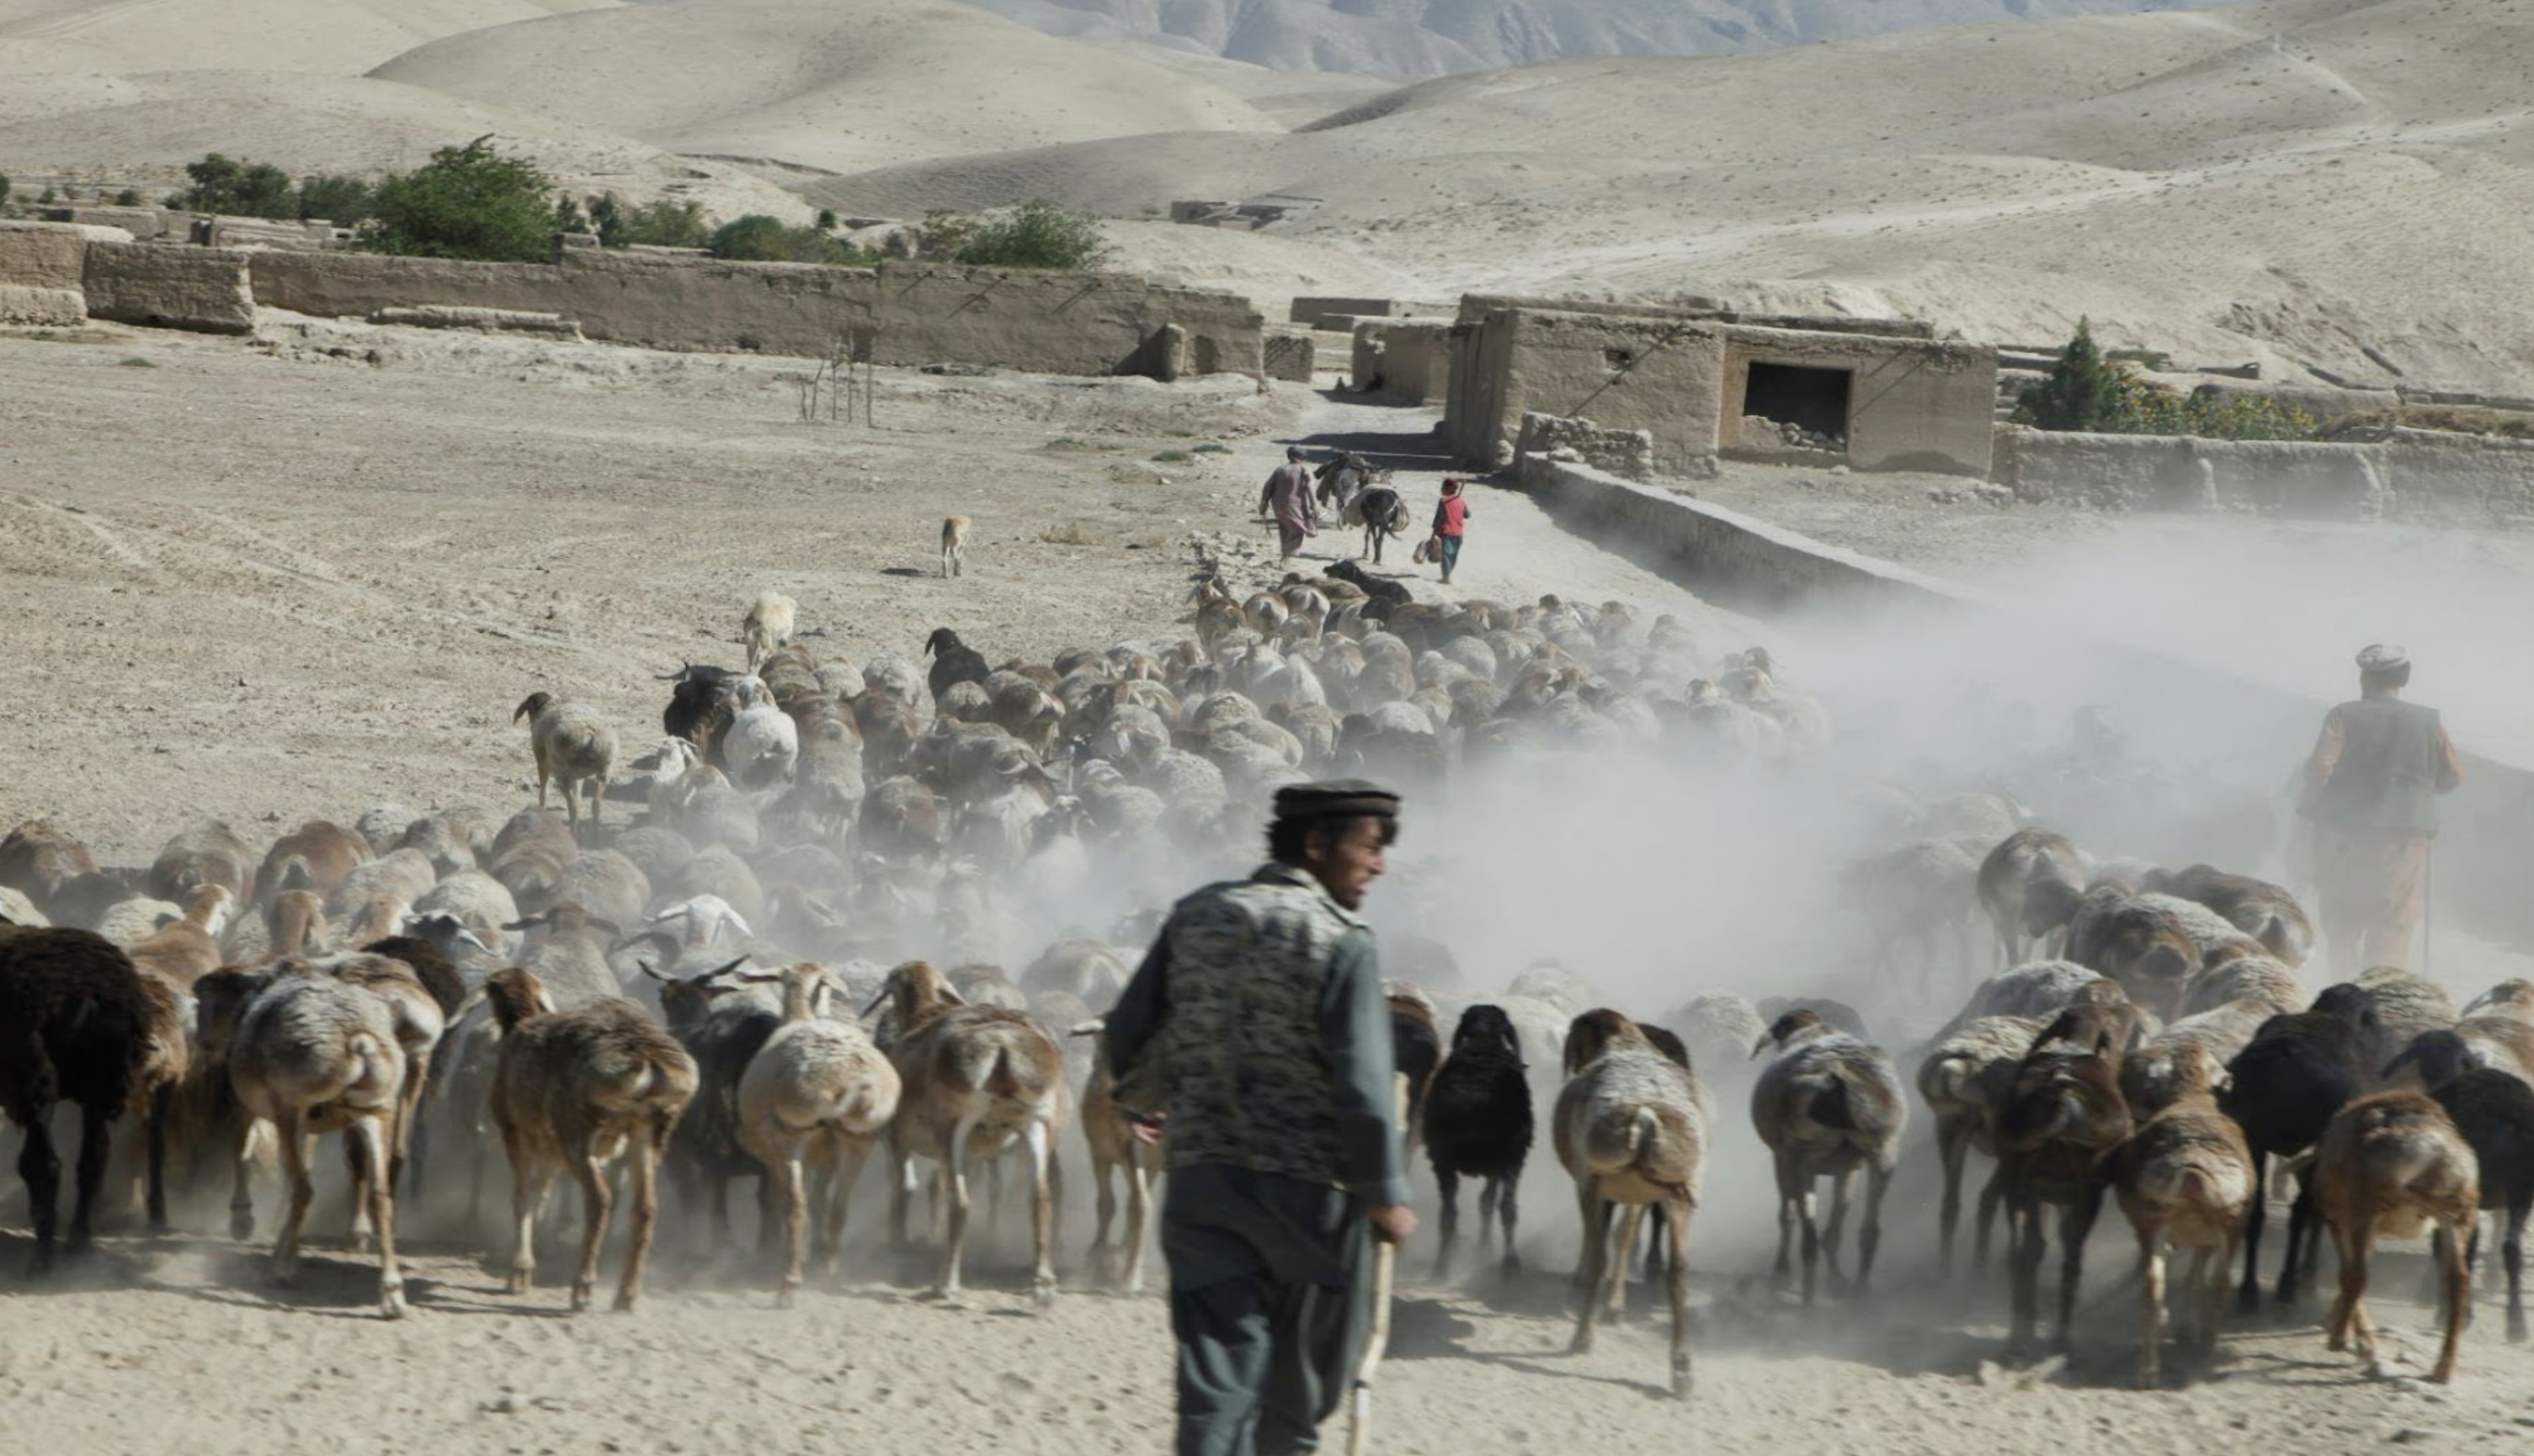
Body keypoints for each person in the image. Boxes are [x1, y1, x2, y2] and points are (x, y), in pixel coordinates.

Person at [1105, 780, 1416, 1456]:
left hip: (1201, 1183)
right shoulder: (1341, 940)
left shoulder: (1196, 914)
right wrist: (1385, 1193)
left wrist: (1147, 1096)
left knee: (1215, 1386)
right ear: (1317, 844)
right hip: (1309, 1201)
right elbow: (1362, 1084)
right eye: (1369, 846)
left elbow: (1126, 1034)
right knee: (1297, 1401)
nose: (1379, 864)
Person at [2299, 643, 2464, 972]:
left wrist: (2315, 802)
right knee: (2392, 918)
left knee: (2342, 913)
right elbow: (2452, 777)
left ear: (2364, 679)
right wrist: (2416, 793)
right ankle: (2379, 991)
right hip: (2405, 835)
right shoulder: (2428, 722)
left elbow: (2320, 767)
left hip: (2343, 831)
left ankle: (2342, 986)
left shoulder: (2342, 715)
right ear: (2403, 678)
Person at [1259, 446, 1319, 561]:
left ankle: (1284, 554)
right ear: (1304, 457)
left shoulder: (1280, 469)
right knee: (1297, 529)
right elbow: (1310, 487)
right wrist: (1314, 505)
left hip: (1278, 506)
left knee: (1285, 527)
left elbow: (1268, 487)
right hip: (1295, 506)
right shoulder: (1304, 469)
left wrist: (1264, 505)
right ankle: (1289, 557)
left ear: (1289, 456)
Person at [1430, 477, 1471, 584]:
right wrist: (1460, 504)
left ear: (1448, 489)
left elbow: (1438, 519)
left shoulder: (1443, 501)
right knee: (1453, 555)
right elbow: (1468, 515)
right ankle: (1447, 575)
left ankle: (1446, 577)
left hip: (1446, 532)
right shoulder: (1461, 501)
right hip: (1458, 533)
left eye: (1443, 487)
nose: (1441, 489)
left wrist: (1433, 534)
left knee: (1445, 556)